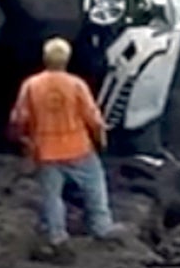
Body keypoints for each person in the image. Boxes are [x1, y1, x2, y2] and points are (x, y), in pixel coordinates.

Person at [9, 39, 114, 241]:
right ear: (67, 59)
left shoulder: (31, 85)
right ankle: (101, 228)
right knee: (95, 188)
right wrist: (101, 140)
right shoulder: (76, 84)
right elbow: (93, 117)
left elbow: (18, 118)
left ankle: (56, 236)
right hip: (78, 149)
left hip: (46, 151)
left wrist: (20, 139)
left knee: (51, 197)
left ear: (45, 58)